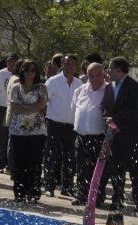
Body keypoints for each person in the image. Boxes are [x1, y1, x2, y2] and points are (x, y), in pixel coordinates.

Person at [106, 57, 138, 214]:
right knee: (116, 170)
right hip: (114, 136)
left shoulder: (134, 86)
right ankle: (117, 200)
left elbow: (132, 110)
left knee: (135, 170)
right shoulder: (111, 86)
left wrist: (114, 119)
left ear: (118, 69)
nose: (108, 71)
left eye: (110, 68)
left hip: (129, 136)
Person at [71, 62, 113, 207]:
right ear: (86, 76)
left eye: (98, 75)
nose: (95, 79)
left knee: (99, 169)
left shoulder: (109, 90)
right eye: (91, 76)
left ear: (103, 74)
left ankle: (97, 197)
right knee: (81, 167)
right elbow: (74, 108)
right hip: (81, 135)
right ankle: (81, 195)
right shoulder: (80, 90)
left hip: (100, 137)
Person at [8, 60, 47, 203]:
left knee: (35, 164)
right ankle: (19, 193)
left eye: (33, 70)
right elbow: (14, 108)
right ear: (22, 71)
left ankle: (34, 193)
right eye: (27, 70)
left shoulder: (41, 87)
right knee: (19, 163)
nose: (30, 73)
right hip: (18, 132)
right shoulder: (15, 88)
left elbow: (42, 106)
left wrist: (24, 105)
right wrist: (33, 107)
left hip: (37, 132)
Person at [44, 54, 82, 197]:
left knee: (70, 157)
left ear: (76, 66)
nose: (69, 66)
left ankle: (67, 186)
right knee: (51, 155)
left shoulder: (80, 84)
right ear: (62, 65)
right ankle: (49, 186)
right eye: (66, 63)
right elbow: (44, 101)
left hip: (72, 126)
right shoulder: (52, 81)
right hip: (54, 124)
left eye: (72, 64)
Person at [0, 53, 17, 174]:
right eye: (10, 61)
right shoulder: (0, 74)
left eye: (14, 61)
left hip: (15, 109)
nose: (12, 63)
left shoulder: (19, 74)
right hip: (2, 108)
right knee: (1, 136)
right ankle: (1, 162)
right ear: (6, 62)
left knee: (13, 137)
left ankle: (10, 164)